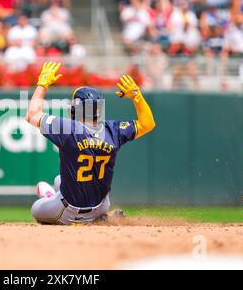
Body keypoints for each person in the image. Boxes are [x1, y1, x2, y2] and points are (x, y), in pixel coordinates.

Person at [26, 62, 155, 224]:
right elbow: (147, 123)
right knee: (59, 179)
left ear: (76, 108)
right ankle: (101, 217)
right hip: (101, 206)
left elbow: (32, 114)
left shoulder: (68, 128)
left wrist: (42, 84)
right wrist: (137, 96)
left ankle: (50, 197)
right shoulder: (113, 129)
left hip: (68, 211)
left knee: (36, 207)